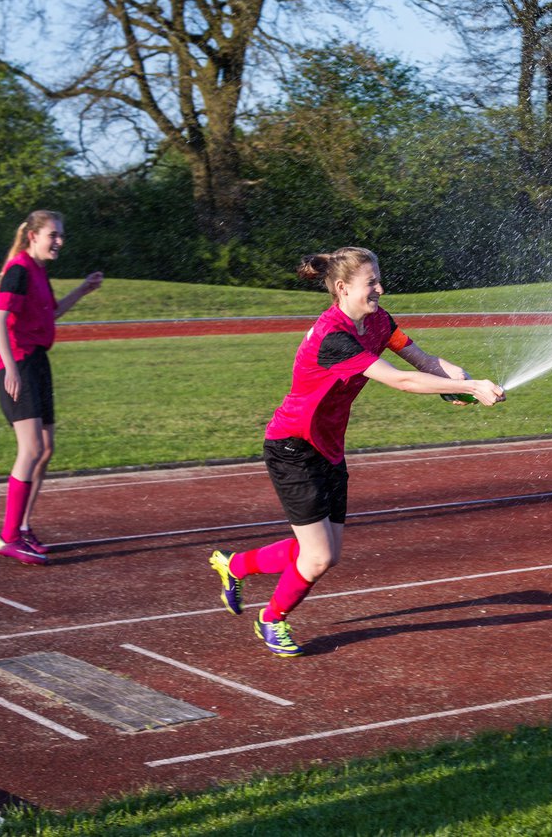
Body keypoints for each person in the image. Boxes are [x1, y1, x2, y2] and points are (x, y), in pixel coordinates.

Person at [209, 246, 504, 655]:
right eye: (371, 283)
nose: (380, 288)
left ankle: (235, 565)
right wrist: (470, 388)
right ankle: (271, 619)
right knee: (317, 557)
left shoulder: (379, 321)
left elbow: (420, 359)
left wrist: (462, 379)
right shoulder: (333, 337)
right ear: (344, 288)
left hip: (328, 447)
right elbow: (400, 381)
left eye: (379, 279)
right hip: (293, 447)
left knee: (324, 552)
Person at [0, 210, 103, 565]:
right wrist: (11, 368)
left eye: (61, 235)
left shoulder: (38, 270)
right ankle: (8, 536)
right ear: (33, 237)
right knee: (31, 447)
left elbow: (50, 314)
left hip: (37, 361)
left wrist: (83, 289)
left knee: (46, 448)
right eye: (53, 235)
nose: (59, 241)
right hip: (19, 362)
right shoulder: (19, 269)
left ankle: (22, 528)